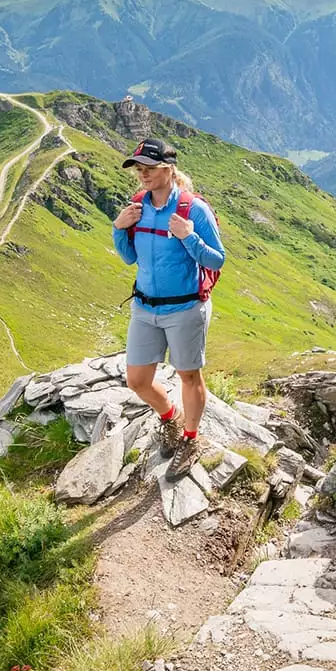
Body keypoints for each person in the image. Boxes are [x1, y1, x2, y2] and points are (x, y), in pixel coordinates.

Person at [111, 137, 226, 476]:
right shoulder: (137, 207)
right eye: (138, 168)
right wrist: (119, 229)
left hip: (184, 308)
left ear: (168, 169)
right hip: (145, 308)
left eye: (150, 167)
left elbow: (216, 259)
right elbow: (130, 256)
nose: (142, 174)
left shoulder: (192, 209)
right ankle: (170, 417)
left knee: (189, 375)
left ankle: (191, 439)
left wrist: (188, 236)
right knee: (137, 380)